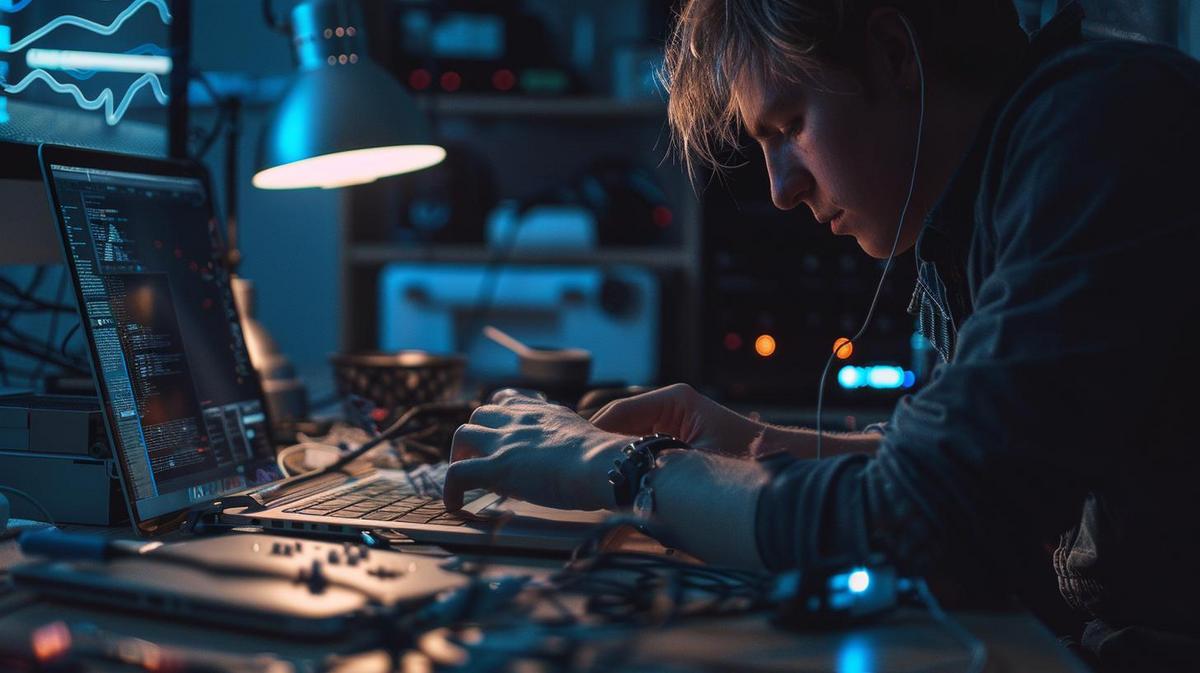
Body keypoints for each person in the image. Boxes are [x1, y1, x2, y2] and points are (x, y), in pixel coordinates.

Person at [443, 1, 1200, 669]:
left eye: (789, 126)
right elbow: (971, 461)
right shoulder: (990, 181)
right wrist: (750, 443)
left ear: (895, 54)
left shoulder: (1105, 132)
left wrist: (615, 468)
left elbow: (926, 517)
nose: (781, 189)